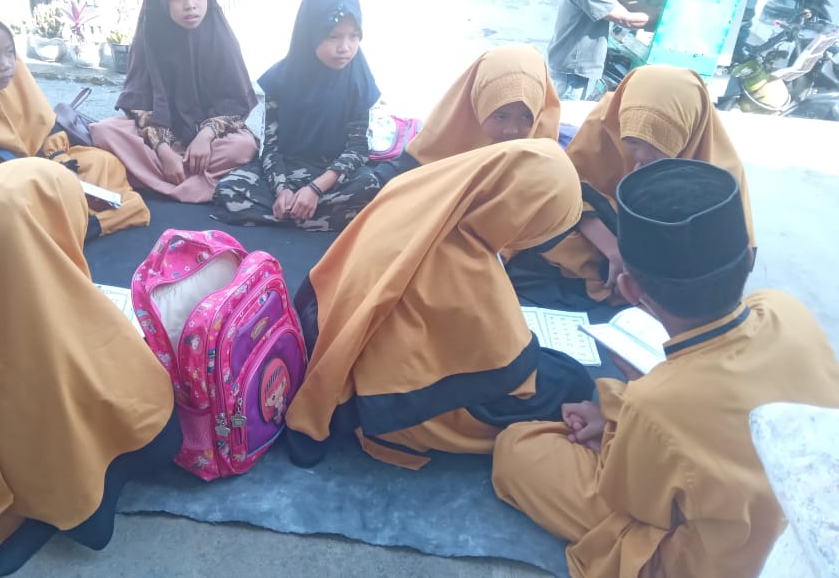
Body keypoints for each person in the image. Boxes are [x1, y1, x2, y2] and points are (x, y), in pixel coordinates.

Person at [492, 158, 839, 578]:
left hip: (709, 564)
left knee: (517, 449)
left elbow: (633, 502)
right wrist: (620, 419)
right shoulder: (786, 308)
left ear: (629, 289)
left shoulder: (653, 404)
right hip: (806, 528)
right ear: (748, 257)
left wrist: (618, 429)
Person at [0, 159, 180, 578]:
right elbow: (136, 396)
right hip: (71, 474)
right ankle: (68, 504)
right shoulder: (79, 311)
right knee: (162, 428)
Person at [284, 139, 594, 470]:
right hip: (385, 405)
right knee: (570, 381)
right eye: (536, 224)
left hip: (329, 334)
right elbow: (498, 356)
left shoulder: (420, 189)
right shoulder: (459, 259)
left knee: (550, 367)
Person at [510, 64, 755, 307]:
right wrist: (613, 250)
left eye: (660, 146)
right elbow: (570, 190)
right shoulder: (609, 118)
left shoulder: (718, 175)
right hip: (603, 236)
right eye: (632, 142)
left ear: (689, 132)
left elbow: (725, 260)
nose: (643, 157)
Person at [0, 4, 149, 237]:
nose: (6, 65)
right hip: (5, 180)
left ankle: (79, 222)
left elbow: (44, 131)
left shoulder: (14, 85)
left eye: (10, 52)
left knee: (102, 162)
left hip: (37, 165)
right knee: (11, 198)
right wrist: (44, 175)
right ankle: (85, 226)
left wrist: (62, 163)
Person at [90, 0, 258, 203]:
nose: (190, 4)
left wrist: (206, 134)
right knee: (105, 131)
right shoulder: (150, 35)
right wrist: (163, 149)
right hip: (161, 134)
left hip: (210, 140)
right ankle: (196, 183)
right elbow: (140, 104)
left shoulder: (219, 35)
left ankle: (161, 182)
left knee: (243, 146)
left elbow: (236, 103)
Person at [213, 0, 382, 231]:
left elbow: (358, 149)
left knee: (369, 186)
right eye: (333, 36)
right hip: (287, 169)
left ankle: (287, 214)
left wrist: (315, 189)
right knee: (229, 189)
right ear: (310, 33)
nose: (345, 47)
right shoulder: (282, 78)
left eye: (354, 36)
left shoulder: (358, 79)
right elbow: (270, 147)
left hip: (333, 173)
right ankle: (307, 214)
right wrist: (281, 189)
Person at [374, 44, 562, 184]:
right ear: (477, 103)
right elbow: (411, 168)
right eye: (501, 116)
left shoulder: (543, 157)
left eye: (527, 116)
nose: (512, 129)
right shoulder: (449, 133)